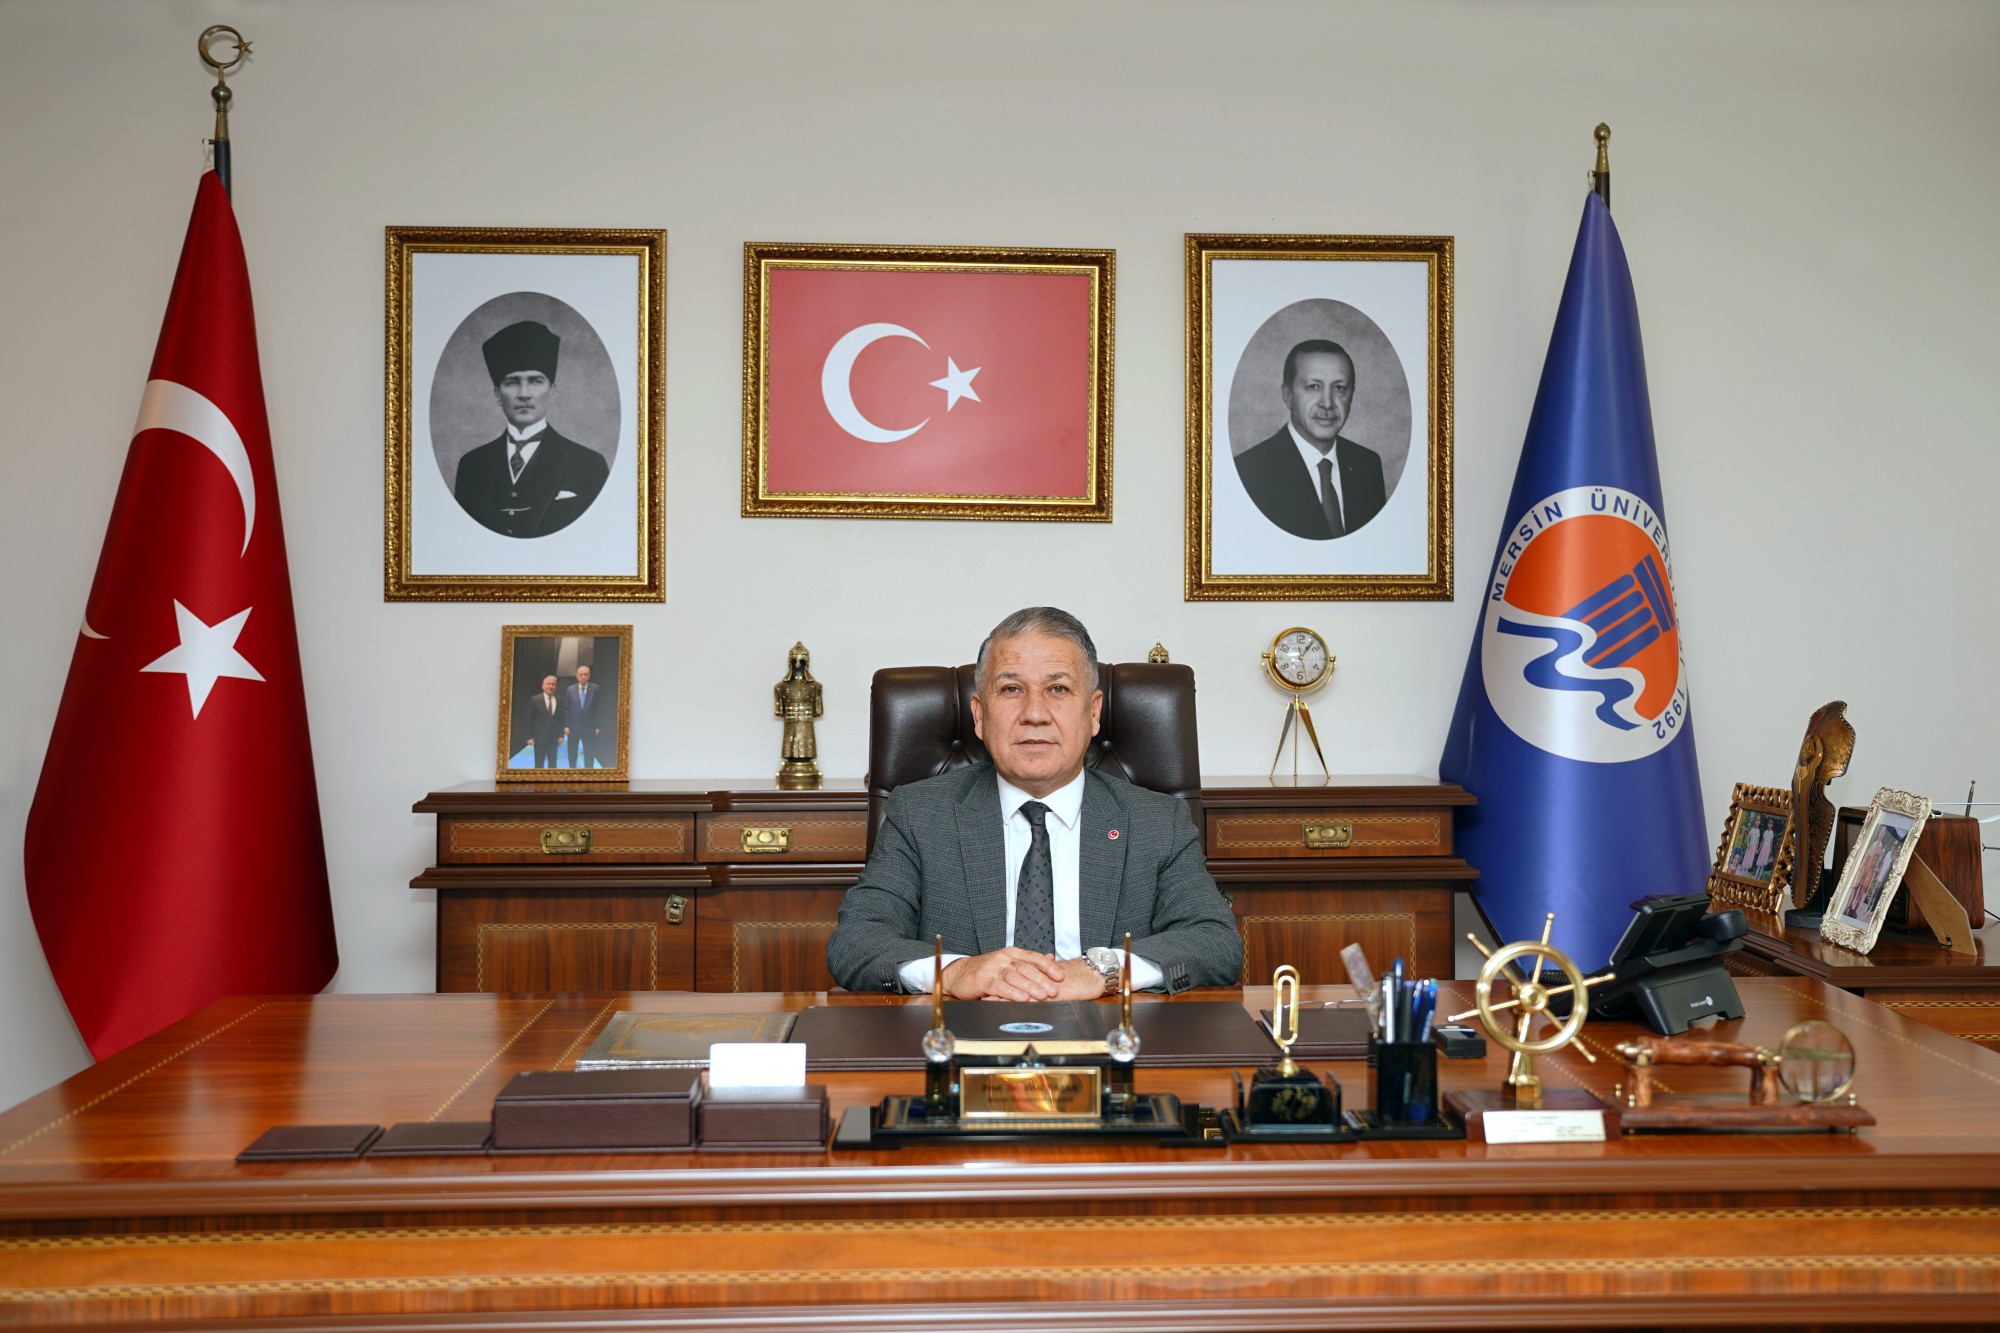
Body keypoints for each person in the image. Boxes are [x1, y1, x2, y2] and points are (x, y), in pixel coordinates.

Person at [826, 607, 1243, 998]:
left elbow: (1215, 941)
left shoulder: (1157, 821)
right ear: (979, 715)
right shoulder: (919, 815)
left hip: (1110, 1033)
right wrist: (955, 972)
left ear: (1093, 712)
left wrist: (1102, 971)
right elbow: (856, 941)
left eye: (1058, 689)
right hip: (964, 1031)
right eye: (1011, 689)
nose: (1035, 714)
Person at [451, 319, 610, 538]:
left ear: (552, 391)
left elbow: (600, 539)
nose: (524, 394)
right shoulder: (472, 466)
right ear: (497, 394)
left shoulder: (589, 464)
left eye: (535, 381)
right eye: (512, 382)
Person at [1232, 339, 1388, 540]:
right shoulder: (1249, 471)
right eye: (1314, 386)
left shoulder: (1367, 464)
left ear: (1351, 395)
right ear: (1288, 395)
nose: (1327, 403)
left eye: (1339, 388)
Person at [564, 664, 606, 769]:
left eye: (586, 674)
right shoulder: (570, 689)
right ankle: (572, 772)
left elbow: (598, 709)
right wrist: (566, 725)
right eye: (581, 674)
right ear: (577, 676)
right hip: (573, 727)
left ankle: (588, 774)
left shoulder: (595, 689)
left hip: (589, 727)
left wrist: (597, 726)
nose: (583, 676)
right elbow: (566, 709)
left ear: (589, 675)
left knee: (589, 753)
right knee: (572, 752)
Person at [519, 674, 564, 769]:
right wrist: (529, 736)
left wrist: (561, 735)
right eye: (548, 684)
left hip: (554, 739)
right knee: (539, 764)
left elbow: (561, 719)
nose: (551, 686)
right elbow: (529, 720)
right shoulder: (535, 700)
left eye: (553, 684)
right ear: (543, 686)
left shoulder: (559, 700)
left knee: (553, 764)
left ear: (556, 687)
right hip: (539, 738)